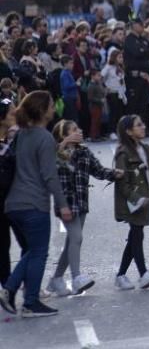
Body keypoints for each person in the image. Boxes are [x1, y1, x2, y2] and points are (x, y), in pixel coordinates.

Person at [0, 92, 71, 317]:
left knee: (32, 250)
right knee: (39, 252)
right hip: (34, 203)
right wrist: (63, 204)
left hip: (13, 203)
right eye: (51, 106)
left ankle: (12, 290)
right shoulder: (44, 137)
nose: (53, 110)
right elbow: (50, 176)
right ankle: (28, 300)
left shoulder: (21, 136)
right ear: (41, 111)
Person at [46, 120, 121, 297]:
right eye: (73, 130)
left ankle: (56, 279)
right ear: (64, 135)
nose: (79, 131)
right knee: (77, 238)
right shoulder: (58, 152)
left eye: (78, 128)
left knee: (71, 242)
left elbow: (98, 170)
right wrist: (63, 144)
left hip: (82, 202)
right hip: (66, 203)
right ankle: (76, 277)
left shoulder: (84, 151)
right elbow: (49, 166)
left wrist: (114, 173)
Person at [112, 115, 149, 292]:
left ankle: (121, 275)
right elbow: (122, 183)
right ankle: (143, 274)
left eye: (142, 124)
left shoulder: (148, 150)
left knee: (136, 235)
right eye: (138, 125)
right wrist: (137, 199)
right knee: (136, 234)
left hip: (146, 200)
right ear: (128, 132)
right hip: (133, 203)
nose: (143, 127)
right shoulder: (123, 153)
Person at [0, 97, 26, 289]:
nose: (15, 114)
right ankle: (7, 286)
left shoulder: (13, 137)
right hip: (4, 203)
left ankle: (27, 283)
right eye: (11, 112)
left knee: (28, 244)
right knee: (3, 248)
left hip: (15, 202)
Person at [123, 18, 149, 124]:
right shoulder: (129, 40)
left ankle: (143, 125)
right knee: (134, 103)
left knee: (145, 102)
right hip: (135, 76)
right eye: (140, 24)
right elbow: (137, 53)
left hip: (146, 75)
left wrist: (145, 52)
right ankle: (132, 125)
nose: (142, 26)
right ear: (134, 25)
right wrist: (146, 52)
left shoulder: (144, 40)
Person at [103, 49, 128, 138]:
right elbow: (101, 76)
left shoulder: (120, 68)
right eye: (119, 57)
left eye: (122, 57)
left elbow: (122, 80)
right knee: (113, 113)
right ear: (114, 58)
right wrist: (105, 87)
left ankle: (119, 130)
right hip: (112, 93)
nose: (121, 59)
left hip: (120, 93)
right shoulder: (108, 67)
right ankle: (111, 131)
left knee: (120, 113)